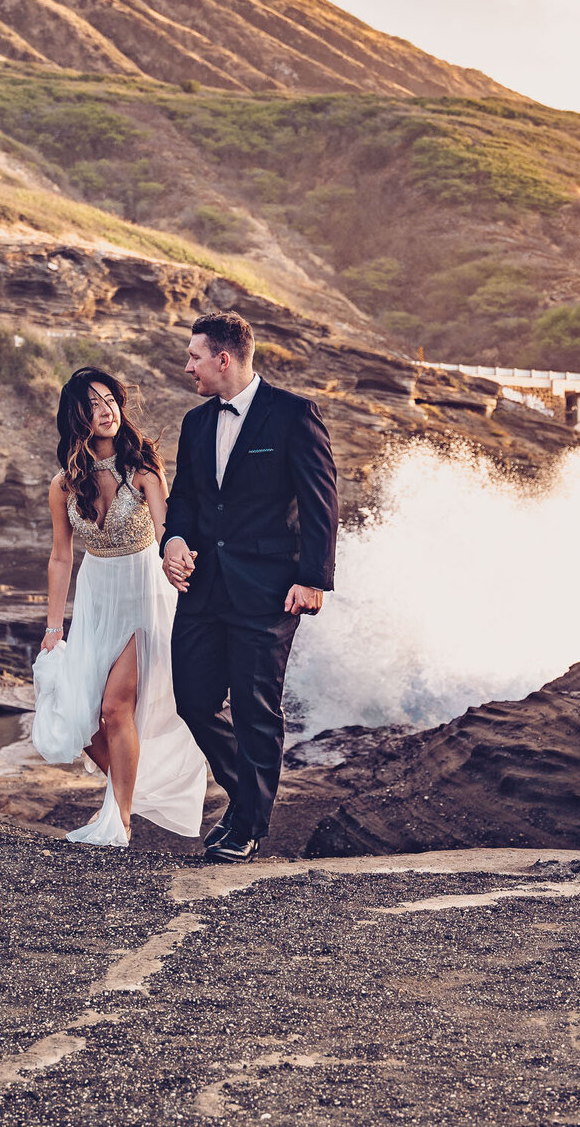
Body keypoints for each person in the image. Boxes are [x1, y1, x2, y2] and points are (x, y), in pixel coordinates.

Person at [162, 310, 339, 864]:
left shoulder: (293, 415)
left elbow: (321, 503)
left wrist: (314, 579)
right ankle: (248, 801)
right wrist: (173, 540)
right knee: (192, 698)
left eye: (193, 356)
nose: (187, 366)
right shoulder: (195, 424)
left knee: (256, 709)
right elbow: (187, 498)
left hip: (269, 589)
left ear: (223, 358)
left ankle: (248, 828)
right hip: (203, 587)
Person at [30, 367, 206, 846]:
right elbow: (61, 556)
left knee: (114, 708)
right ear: (76, 418)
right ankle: (132, 787)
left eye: (109, 400)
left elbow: (169, 529)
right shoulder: (64, 484)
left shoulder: (144, 468)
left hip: (143, 592)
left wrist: (183, 559)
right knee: (82, 716)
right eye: (92, 406)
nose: (105, 411)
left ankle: (121, 820)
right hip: (95, 597)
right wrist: (53, 627)